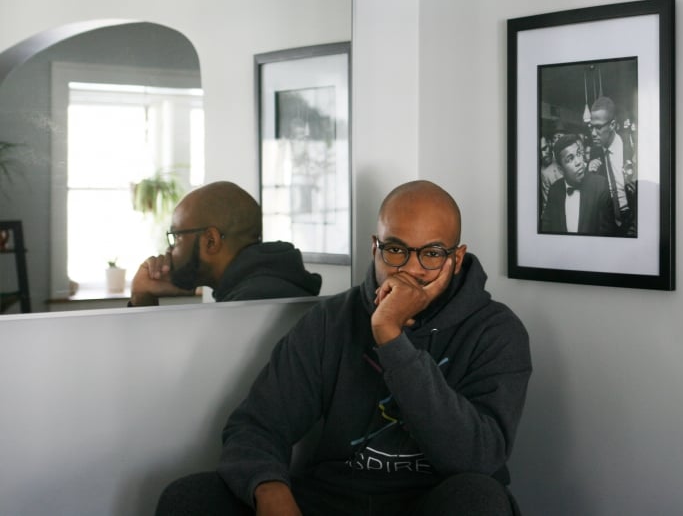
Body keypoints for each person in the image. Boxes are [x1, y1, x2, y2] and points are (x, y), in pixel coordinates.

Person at [155, 180, 532, 516]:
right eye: (396, 250)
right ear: (375, 248)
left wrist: (390, 335)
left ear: (457, 257)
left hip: (432, 499)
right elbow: (256, 426)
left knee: (479, 498)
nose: (411, 270)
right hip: (337, 495)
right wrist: (269, 491)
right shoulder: (331, 320)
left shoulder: (495, 330)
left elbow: (477, 458)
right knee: (190, 498)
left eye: (432, 254)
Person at [128, 181, 321, 306]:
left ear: (210, 241)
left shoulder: (250, 305)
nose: (169, 250)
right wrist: (142, 294)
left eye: (176, 237)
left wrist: (140, 294)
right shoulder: (263, 289)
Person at [541, 134, 615, 235]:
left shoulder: (600, 186)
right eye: (570, 159)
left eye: (579, 154)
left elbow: (607, 234)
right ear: (560, 170)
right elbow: (546, 229)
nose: (579, 162)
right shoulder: (555, 190)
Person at [586, 96, 637, 236]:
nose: (593, 133)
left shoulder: (631, 150)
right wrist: (588, 174)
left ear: (612, 125)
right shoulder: (595, 152)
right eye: (591, 127)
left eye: (598, 127)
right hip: (607, 223)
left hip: (632, 219)